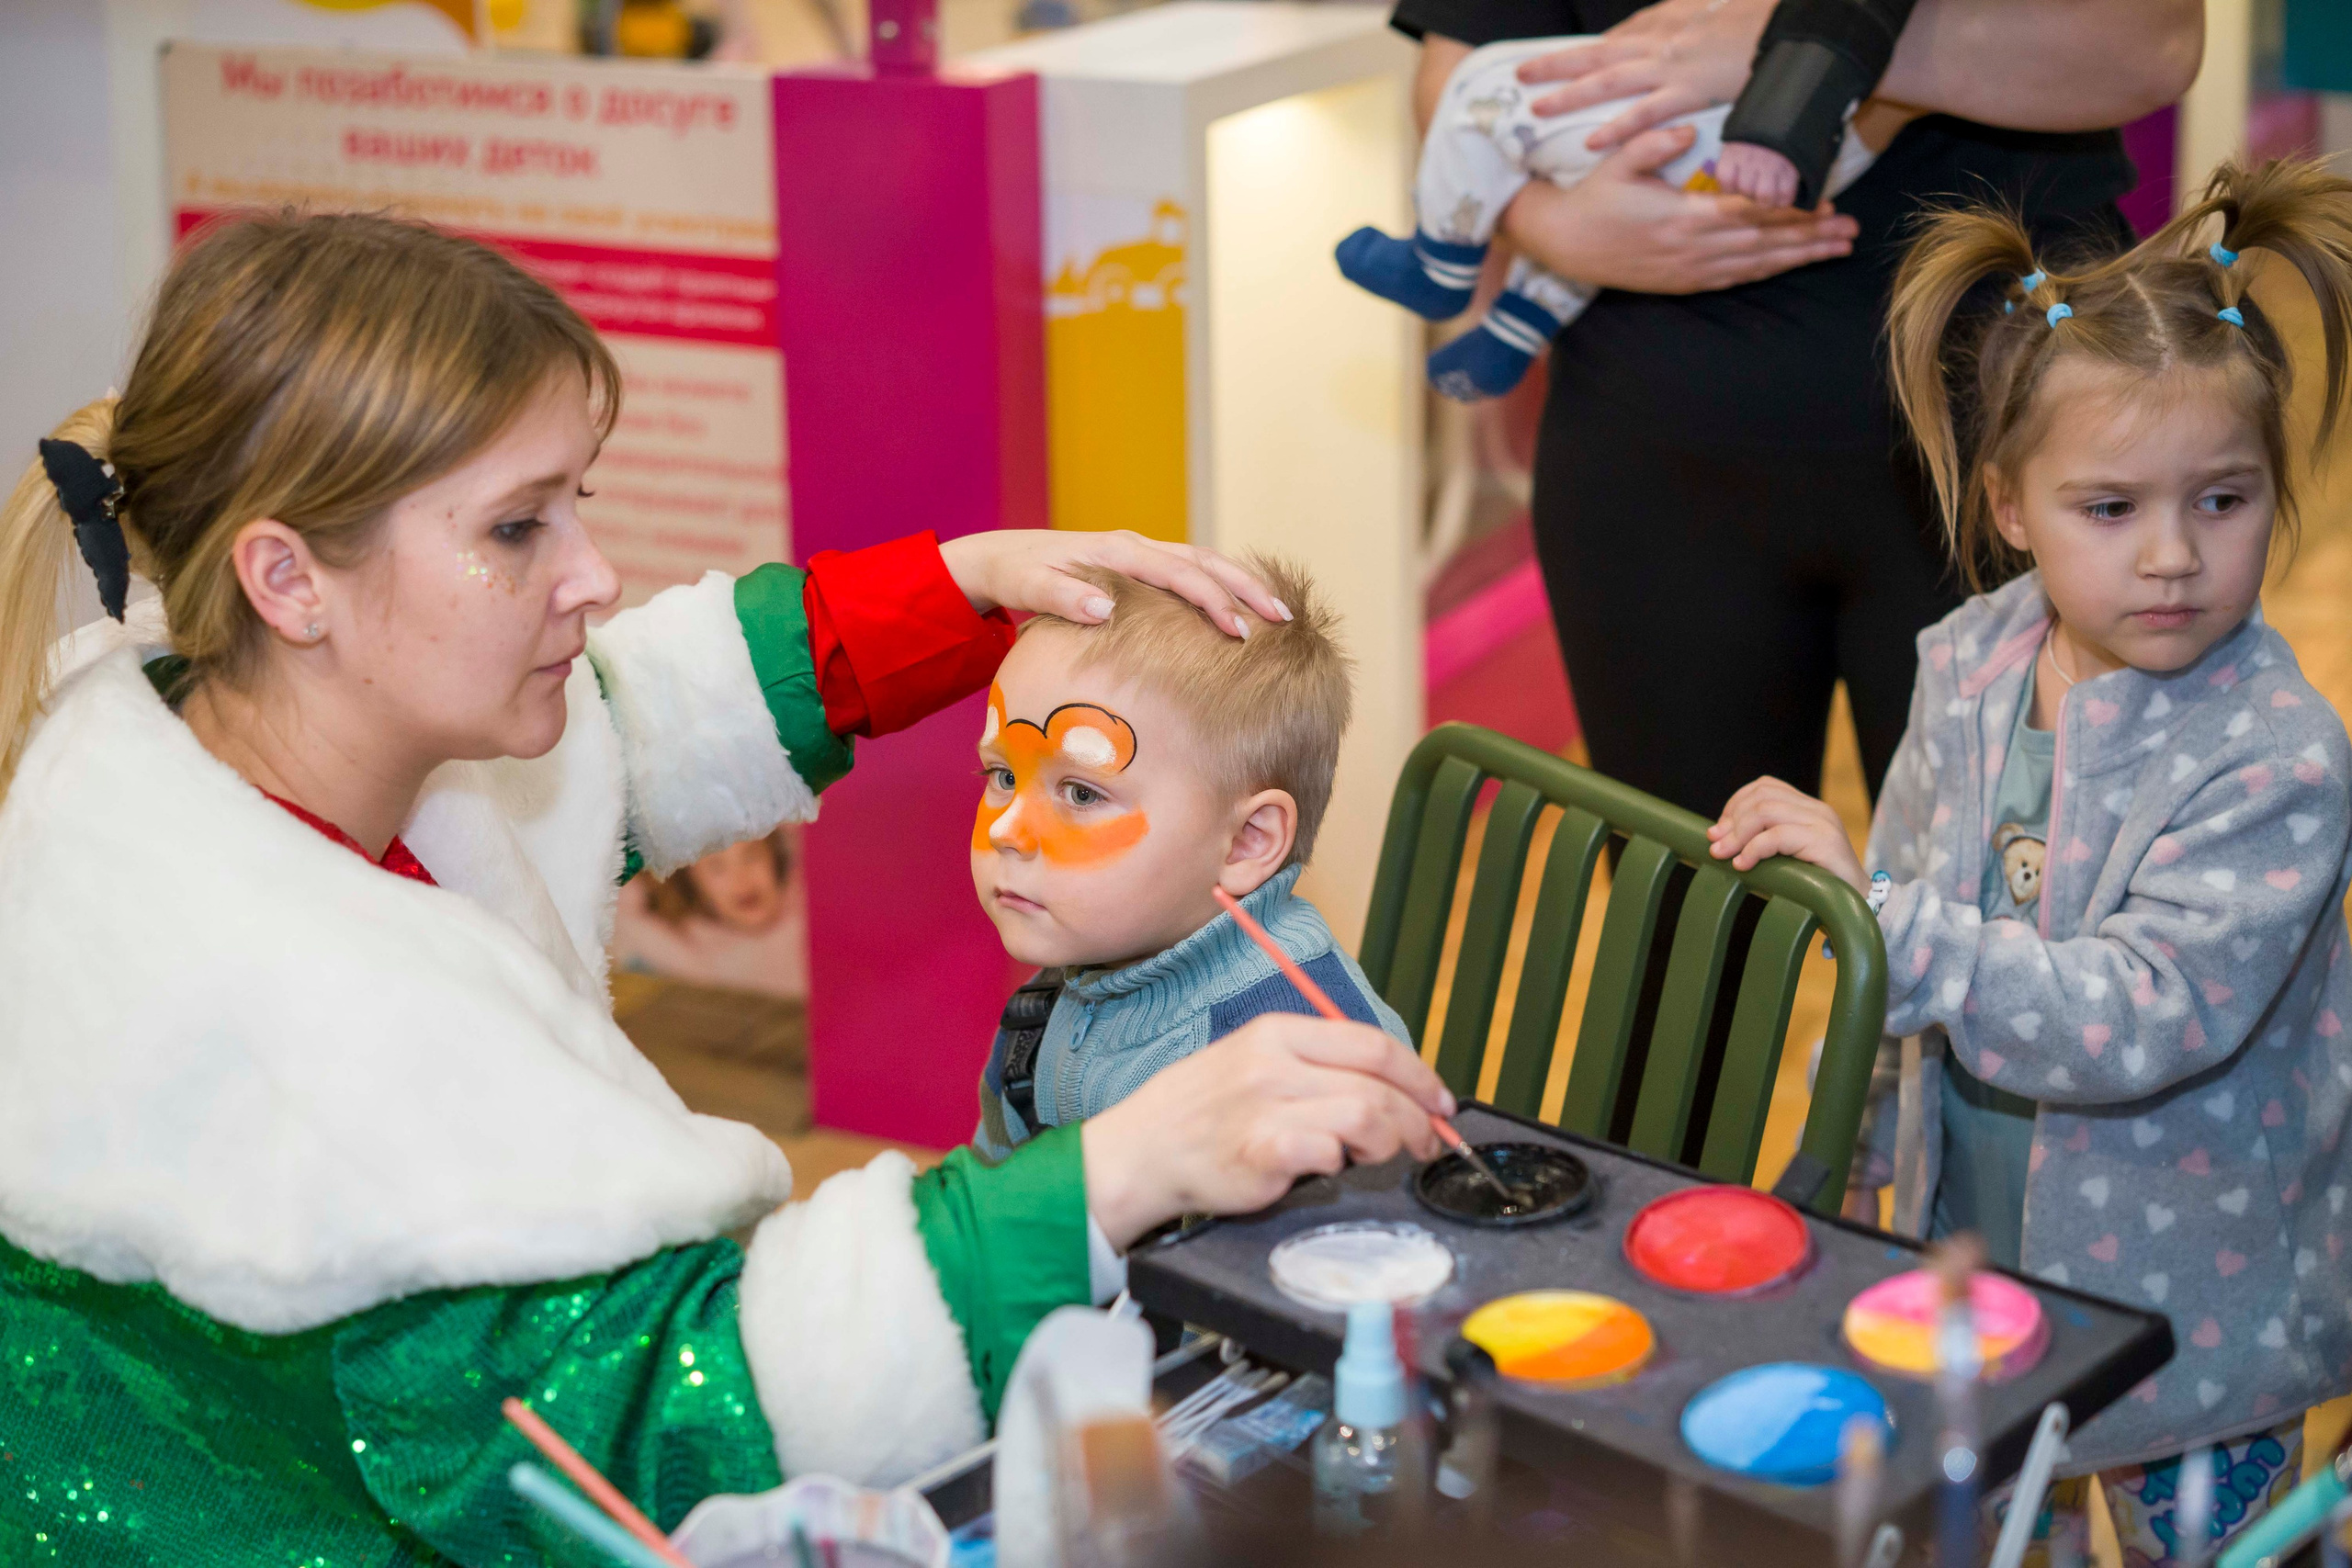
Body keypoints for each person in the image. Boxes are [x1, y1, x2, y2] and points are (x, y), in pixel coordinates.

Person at [0, 211, 1453, 1566]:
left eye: (582, 503)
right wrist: (1118, 1168)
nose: (595, 572)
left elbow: (623, 726)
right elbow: (658, 1417)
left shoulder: (246, 729)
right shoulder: (296, 1024)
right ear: (289, 579)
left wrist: (968, 583)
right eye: (520, 529)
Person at [1706, 160, 2352, 1562]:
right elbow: (1908, 921)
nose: (2174, 555)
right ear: (2011, 507)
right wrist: (1865, 1158)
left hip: (2194, 1310)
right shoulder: (1968, 661)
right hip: (1974, 1273)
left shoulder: (2280, 759)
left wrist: (1884, 919)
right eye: (2109, 509)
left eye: (2225, 500)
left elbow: (2135, 1013)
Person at [1391, 0, 2202, 821]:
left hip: (2020, 428)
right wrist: (1549, 227)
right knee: (1687, 922)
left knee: (2027, 902)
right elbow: (1462, 72)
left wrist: (1809, 48)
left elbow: (2158, 43)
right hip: (1654, 451)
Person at [969, 558, 1410, 1161]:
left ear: (1247, 841)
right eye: (1002, 774)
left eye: (1081, 792)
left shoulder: (1306, 1074)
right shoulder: (1054, 998)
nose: (1008, 829)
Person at [1336, 38, 1888, 401]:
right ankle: (1516, 328)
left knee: (1480, 88)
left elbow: (1448, 67)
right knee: (1609, 191)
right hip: (1834, 147)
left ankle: (1440, 261)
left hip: (1764, 94)